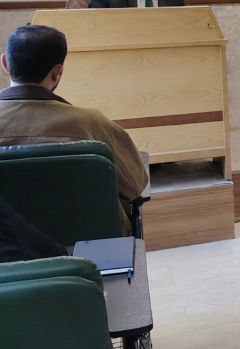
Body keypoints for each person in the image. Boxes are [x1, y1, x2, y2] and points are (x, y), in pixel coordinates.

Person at [0, 24, 148, 233]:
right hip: (86, 240)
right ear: (57, 72)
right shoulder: (92, 123)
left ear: (5, 63)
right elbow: (135, 185)